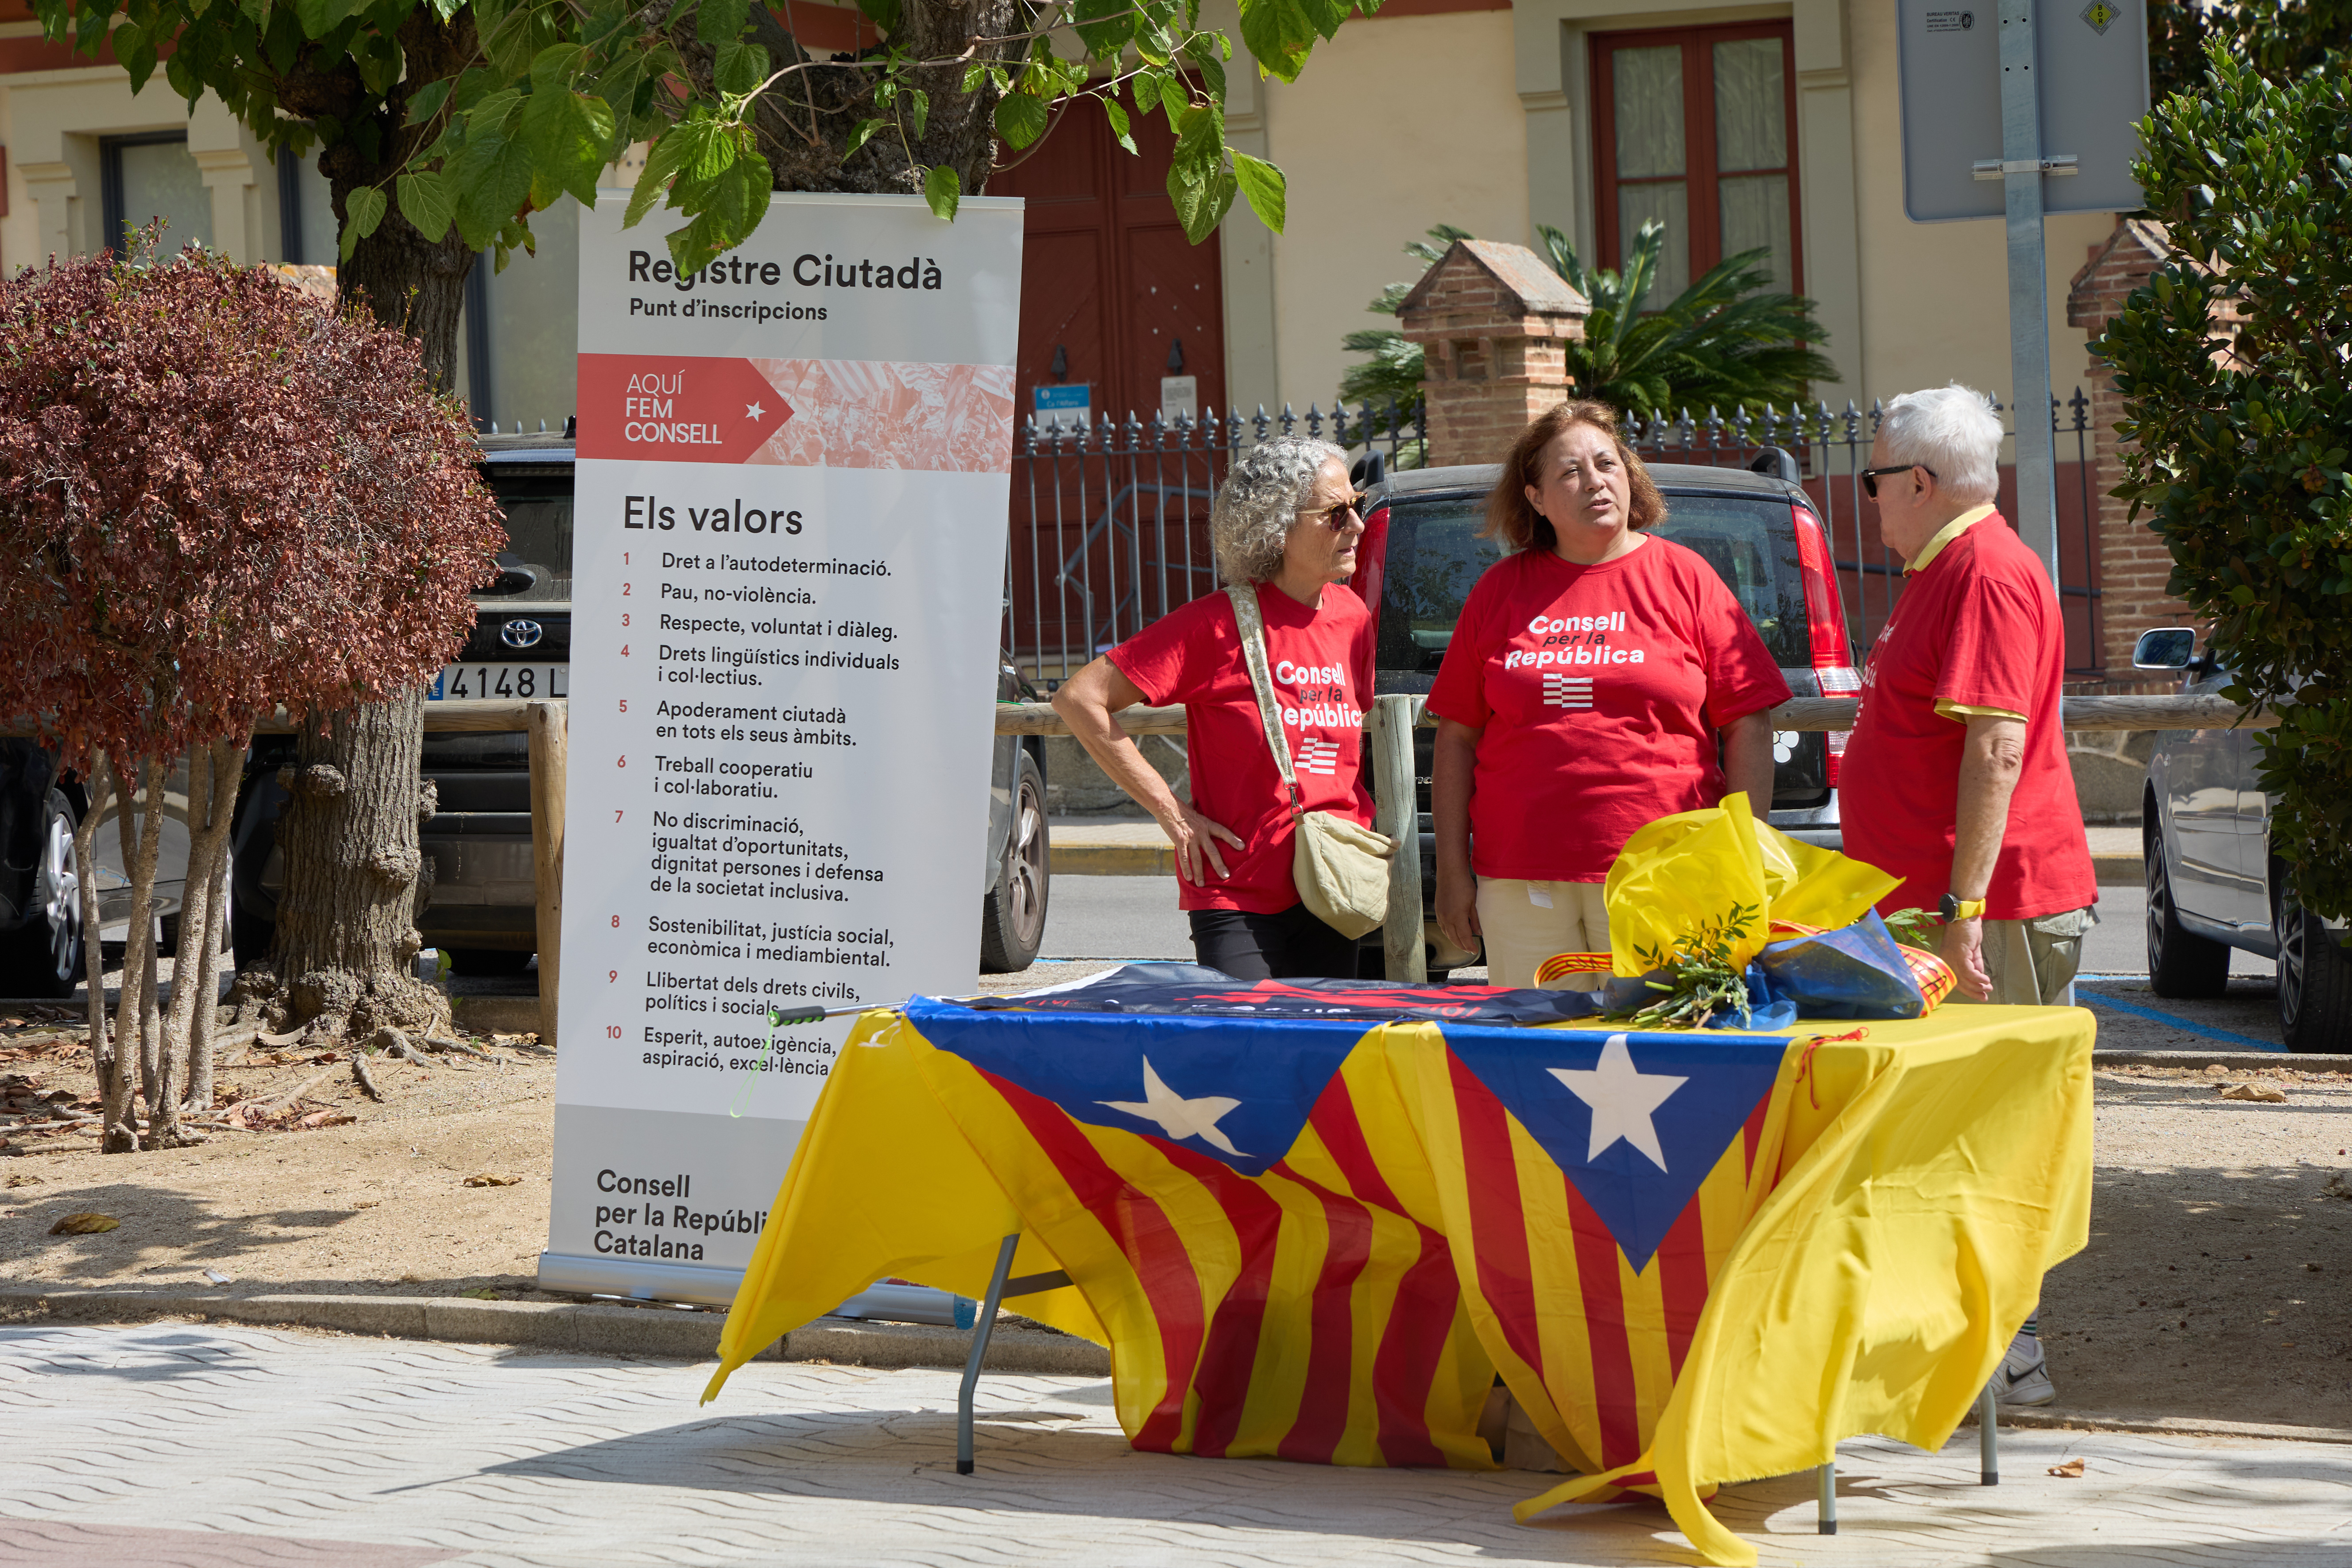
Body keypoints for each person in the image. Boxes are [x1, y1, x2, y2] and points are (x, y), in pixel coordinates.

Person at [1840, 382, 2099, 1408]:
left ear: (1915, 480)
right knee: (1953, 1130)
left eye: (1871, 479)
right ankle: (1977, 1350)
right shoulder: (1943, 568)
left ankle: (2008, 1360)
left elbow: (1991, 750)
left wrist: (1960, 904)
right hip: (1946, 904)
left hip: (1990, 907)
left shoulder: (1981, 572)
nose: (1867, 499)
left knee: (1993, 1132)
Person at [1426, 399, 1791, 989]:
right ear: (1537, 498)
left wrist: (1745, 850)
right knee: (1541, 1058)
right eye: (1570, 471)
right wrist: (1451, 870)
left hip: (1666, 869)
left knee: (1665, 1056)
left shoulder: (1687, 576)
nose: (1594, 481)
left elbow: (1747, 718)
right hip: (1522, 881)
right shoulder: (1499, 591)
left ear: (1630, 474)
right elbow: (1457, 735)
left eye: (1607, 463)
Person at [1051, 436, 1376, 981]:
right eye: (1335, 513)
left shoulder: (1352, 615)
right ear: (1275, 524)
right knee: (1246, 1053)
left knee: (1321, 1055)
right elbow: (1079, 698)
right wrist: (1171, 812)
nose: (1357, 526)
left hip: (1335, 883)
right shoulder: (1216, 624)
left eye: (1357, 506)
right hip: (1237, 893)